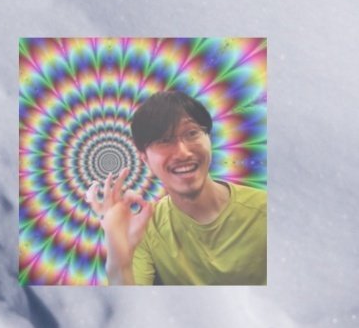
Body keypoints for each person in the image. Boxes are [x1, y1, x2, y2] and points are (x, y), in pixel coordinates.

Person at [98, 87, 267, 286]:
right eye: (164, 140)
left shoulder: (266, 210)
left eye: (192, 133)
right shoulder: (145, 230)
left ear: (209, 139)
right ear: (144, 158)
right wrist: (118, 256)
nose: (183, 152)